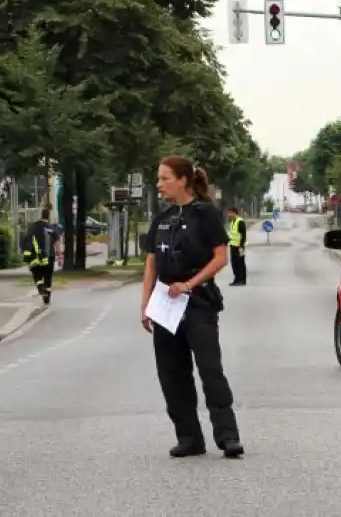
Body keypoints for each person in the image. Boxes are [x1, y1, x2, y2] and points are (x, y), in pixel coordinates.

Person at [141, 156, 244, 459]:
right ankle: (189, 437)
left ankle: (228, 436)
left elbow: (220, 257)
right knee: (172, 374)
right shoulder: (161, 219)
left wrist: (189, 284)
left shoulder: (206, 214)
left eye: (164, 178)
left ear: (183, 179)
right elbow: (150, 264)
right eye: (158, 179)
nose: (159, 184)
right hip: (165, 306)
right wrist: (145, 305)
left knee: (210, 370)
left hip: (198, 302)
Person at [22, 208, 62, 304]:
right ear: (49, 216)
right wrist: (60, 257)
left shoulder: (34, 227)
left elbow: (27, 239)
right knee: (48, 277)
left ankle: (40, 288)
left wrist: (26, 254)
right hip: (49, 257)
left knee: (37, 274)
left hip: (36, 257)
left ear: (41, 215)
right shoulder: (52, 229)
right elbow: (57, 244)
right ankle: (47, 298)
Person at [226, 206, 247, 286]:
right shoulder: (232, 222)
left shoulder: (240, 221)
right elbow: (231, 234)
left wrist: (241, 246)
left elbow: (243, 235)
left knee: (241, 263)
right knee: (234, 264)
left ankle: (242, 280)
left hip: (240, 247)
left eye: (230, 213)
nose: (229, 214)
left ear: (234, 213)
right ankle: (236, 279)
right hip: (233, 246)